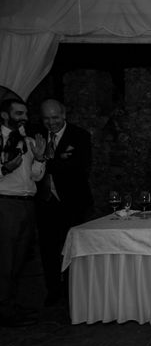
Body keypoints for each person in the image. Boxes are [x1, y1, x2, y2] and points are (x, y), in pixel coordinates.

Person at [36, 98, 93, 306]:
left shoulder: (79, 136)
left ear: (64, 114)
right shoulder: (37, 135)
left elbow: (80, 169)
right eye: (46, 119)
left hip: (73, 201)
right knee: (48, 249)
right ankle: (53, 291)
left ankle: (73, 290)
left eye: (55, 118)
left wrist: (45, 161)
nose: (51, 123)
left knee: (73, 248)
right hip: (45, 202)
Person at [0, 96, 47, 327]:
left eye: (26, 114)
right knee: (4, 260)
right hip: (5, 204)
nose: (24, 118)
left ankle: (11, 306)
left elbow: (36, 176)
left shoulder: (28, 141)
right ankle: (5, 310)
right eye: (19, 113)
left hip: (27, 204)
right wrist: (3, 169)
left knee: (19, 259)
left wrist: (39, 159)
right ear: (5, 115)